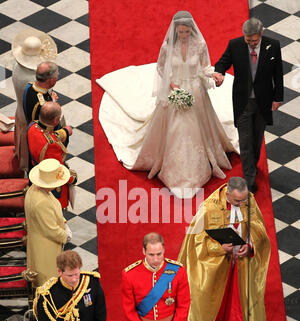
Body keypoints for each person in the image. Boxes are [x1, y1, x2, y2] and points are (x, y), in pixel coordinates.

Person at [97, 10, 239, 199]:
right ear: (175, 31)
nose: (183, 35)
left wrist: (212, 75)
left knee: (198, 128)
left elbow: (205, 67)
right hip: (175, 91)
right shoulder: (168, 46)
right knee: (175, 129)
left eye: (186, 32)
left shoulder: (200, 44)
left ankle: (200, 166)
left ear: (191, 30)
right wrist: (173, 86)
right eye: (180, 32)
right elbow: (161, 68)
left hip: (196, 91)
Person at [178, 177, 270, 321]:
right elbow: (197, 241)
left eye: (244, 200)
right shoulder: (209, 208)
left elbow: (258, 228)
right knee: (217, 299)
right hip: (218, 263)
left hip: (242, 261)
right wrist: (220, 249)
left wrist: (250, 246)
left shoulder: (248, 200)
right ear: (227, 195)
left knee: (241, 296)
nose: (242, 204)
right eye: (237, 201)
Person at [213, 18, 284, 193]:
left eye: (254, 40)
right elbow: (222, 62)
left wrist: (278, 97)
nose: (251, 44)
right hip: (243, 102)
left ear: (261, 34)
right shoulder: (235, 45)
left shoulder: (273, 46)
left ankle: (252, 164)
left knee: (256, 139)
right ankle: (249, 179)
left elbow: (278, 74)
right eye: (248, 40)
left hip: (263, 102)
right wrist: (219, 73)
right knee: (245, 142)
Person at [11, 29, 57, 171]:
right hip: (31, 119)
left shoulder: (16, 67)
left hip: (20, 109)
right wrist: (53, 102)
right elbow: (41, 109)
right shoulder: (33, 79)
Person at [24, 158, 71, 288]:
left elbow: (51, 214)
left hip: (39, 241)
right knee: (49, 282)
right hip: (46, 248)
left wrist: (63, 222)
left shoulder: (35, 189)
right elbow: (50, 229)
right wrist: (65, 235)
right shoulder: (41, 202)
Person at [27, 101, 76, 209]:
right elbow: (59, 170)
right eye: (58, 118)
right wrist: (72, 178)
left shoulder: (32, 126)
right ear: (55, 120)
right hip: (49, 183)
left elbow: (50, 134)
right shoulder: (50, 145)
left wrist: (65, 132)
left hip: (35, 174)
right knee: (55, 212)